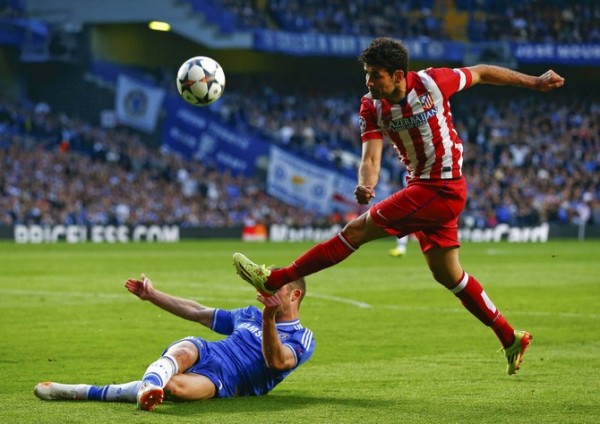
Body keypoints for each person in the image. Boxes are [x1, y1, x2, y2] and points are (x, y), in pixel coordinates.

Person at [233, 37, 564, 376]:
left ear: (397, 75)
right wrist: (367, 183)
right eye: (366, 73)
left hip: (442, 187)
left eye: (375, 75)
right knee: (449, 276)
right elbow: (371, 156)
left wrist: (534, 82)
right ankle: (510, 336)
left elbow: (480, 73)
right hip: (422, 188)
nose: (369, 81)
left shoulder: (433, 82)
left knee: (355, 231)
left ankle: (277, 279)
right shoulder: (370, 106)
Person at [34, 273, 315, 412]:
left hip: (229, 382)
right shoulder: (248, 314)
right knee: (184, 349)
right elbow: (196, 311)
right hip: (208, 351)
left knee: (173, 389)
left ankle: (84, 391)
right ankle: (138, 386)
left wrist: (268, 319)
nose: (267, 293)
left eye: (275, 288)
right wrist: (152, 296)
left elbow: (276, 362)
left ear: (294, 295)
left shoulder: (302, 337)